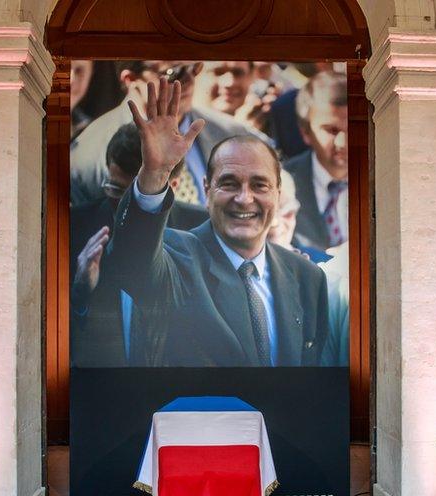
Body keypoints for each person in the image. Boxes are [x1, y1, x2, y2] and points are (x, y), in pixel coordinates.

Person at [106, 78, 328, 367]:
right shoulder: (176, 254)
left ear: (277, 193)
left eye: (259, 185)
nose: (245, 199)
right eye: (229, 183)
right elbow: (131, 264)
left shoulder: (307, 277)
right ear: (206, 189)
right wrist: (154, 174)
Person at [71, 124, 209, 367]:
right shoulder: (73, 227)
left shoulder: (202, 230)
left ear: (173, 186)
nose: (127, 206)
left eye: (138, 195)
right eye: (116, 189)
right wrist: (80, 291)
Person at [70, 61, 254, 207]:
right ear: (131, 79)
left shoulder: (231, 133)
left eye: (195, 68)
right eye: (174, 73)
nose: (189, 81)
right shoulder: (87, 156)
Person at [283, 71, 349, 251]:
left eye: (353, 129)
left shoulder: (382, 181)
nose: (342, 143)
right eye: (331, 130)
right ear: (305, 132)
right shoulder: (281, 183)